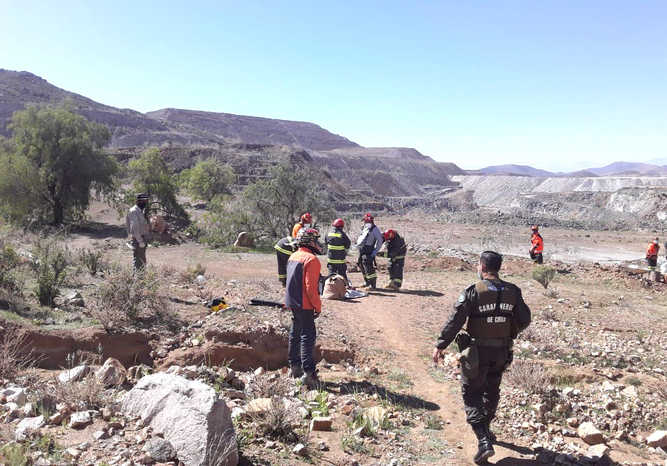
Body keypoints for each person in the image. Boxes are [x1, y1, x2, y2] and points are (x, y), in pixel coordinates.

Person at [432, 251, 531, 465]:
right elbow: (525, 318)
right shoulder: (513, 291)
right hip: (502, 351)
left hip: (477, 353)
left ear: (482, 267)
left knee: (471, 393)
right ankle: (486, 427)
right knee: (492, 389)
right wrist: (507, 329)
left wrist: (440, 345)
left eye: (478, 266)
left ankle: (484, 440)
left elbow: (455, 321)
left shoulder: (473, 292)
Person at [285, 228, 323, 388]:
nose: (317, 243)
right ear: (310, 241)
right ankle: (308, 373)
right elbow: (310, 287)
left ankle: (294, 367)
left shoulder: (293, 256)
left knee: (295, 333)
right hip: (305, 303)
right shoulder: (311, 259)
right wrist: (318, 306)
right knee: (308, 336)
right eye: (315, 239)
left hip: (293, 302)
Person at [355, 213, 383, 289]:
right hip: (362, 249)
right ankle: (367, 282)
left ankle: (372, 285)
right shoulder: (365, 228)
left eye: (365, 221)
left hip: (369, 250)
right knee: (360, 264)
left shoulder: (375, 229)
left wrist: (375, 251)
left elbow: (380, 240)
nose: (364, 222)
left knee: (368, 267)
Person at [126, 193, 151, 270]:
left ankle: (141, 279)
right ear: (139, 201)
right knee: (138, 261)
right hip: (138, 240)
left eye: (146, 201)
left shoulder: (141, 211)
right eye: (144, 201)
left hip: (141, 238)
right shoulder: (134, 211)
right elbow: (135, 227)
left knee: (142, 260)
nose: (146, 203)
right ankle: (137, 279)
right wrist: (140, 241)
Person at [325, 218, 351, 283]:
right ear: (341, 226)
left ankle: (330, 289)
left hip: (331, 260)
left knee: (331, 276)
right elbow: (348, 245)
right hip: (340, 260)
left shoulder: (328, 233)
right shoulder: (342, 234)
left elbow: (326, 243)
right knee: (342, 276)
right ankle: (344, 288)